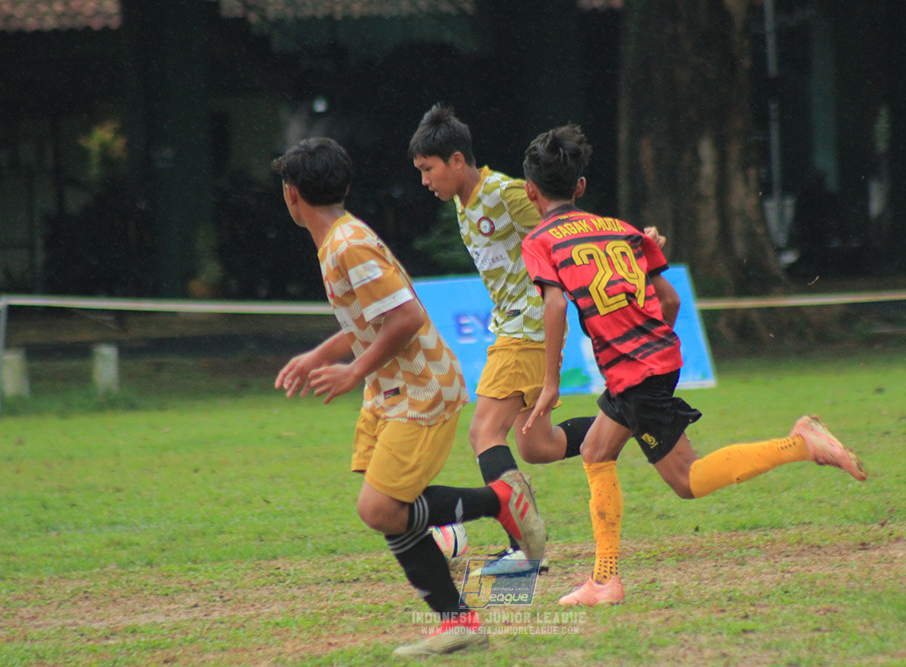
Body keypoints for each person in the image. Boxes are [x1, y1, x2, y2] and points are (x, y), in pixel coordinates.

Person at [519, 125, 867, 607]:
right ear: (580, 187)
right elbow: (667, 298)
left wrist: (551, 383)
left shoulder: (539, 239)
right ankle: (604, 581)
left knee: (687, 481)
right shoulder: (622, 230)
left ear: (530, 190)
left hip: (636, 372)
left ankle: (800, 443)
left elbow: (554, 306)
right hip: (649, 362)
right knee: (597, 451)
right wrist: (650, 345)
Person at [270, 137, 546, 656]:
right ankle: (459, 619)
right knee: (385, 506)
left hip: (421, 390)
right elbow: (378, 315)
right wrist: (320, 356)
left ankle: (500, 505)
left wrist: (352, 372)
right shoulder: (340, 239)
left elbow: (407, 317)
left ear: (292, 195)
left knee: (381, 508)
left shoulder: (346, 244)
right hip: (392, 389)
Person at [408, 104, 596, 575]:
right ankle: (626, 417)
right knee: (539, 444)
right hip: (513, 325)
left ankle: (523, 548)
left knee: (483, 432)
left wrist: (624, 245)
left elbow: (566, 228)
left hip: (528, 325)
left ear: (456, 160)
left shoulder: (505, 193)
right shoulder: (460, 201)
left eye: (428, 169)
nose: (425, 180)